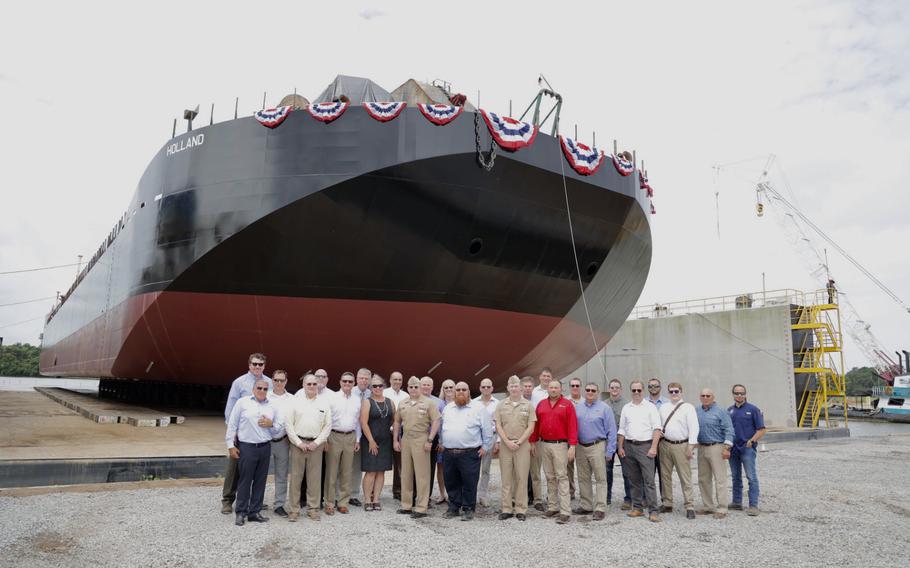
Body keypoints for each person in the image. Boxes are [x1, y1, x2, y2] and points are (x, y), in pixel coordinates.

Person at [226, 377, 283, 526]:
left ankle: (254, 511)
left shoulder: (272, 405)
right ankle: (241, 512)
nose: (262, 391)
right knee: (244, 481)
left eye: (265, 389)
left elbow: (278, 427)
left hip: (264, 447)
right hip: (247, 447)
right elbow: (232, 424)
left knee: (260, 481)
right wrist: (230, 445)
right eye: (259, 388)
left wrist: (271, 424)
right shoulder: (242, 403)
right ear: (253, 389)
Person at [221, 353, 272, 514]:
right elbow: (230, 407)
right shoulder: (239, 382)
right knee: (235, 467)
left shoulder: (269, 383)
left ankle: (254, 501)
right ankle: (228, 499)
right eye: (255, 364)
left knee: (257, 471)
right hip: (242, 434)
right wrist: (232, 432)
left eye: (261, 364)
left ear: (264, 366)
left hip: (261, 434)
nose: (258, 367)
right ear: (249, 364)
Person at [440, 382, 494, 521]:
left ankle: (469, 508)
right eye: (458, 389)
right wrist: (442, 442)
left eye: (464, 389)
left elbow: (487, 430)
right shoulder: (448, 408)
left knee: (469, 481)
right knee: (451, 481)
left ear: (469, 391)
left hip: (470, 452)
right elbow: (442, 427)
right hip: (449, 452)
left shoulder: (479, 408)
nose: (460, 392)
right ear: (454, 392)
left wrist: (485, 447)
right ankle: (454, 507)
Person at [530, 380, 578, 524]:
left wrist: (572, 446)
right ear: (548, 389)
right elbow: (536, 425)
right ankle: (553, 507)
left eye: (556, 387)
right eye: (551, 387)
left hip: (560, 445)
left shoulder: (567, 404)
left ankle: (565, 510)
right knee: (550, 477)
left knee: (562, 476)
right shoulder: (541, 404)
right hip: (544, 444)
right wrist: (532, 441)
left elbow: (573, 426)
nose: (553, 390)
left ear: (560, 389)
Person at [285, 374, 332, 522]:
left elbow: (328, 426)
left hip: (315, 446)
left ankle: (313, 509)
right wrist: (298, 443)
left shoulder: (324, 404)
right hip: (298, 444)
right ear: (303, 385)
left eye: (314, 384)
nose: (312, 386)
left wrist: (316, 443)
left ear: (318, 385)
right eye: (309, 384)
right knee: (296, 479)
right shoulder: (295, 402)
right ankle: (294, 510)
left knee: (314, 479)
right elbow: (288, 425)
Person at [393, 376, 441, 518]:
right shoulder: (403, 403)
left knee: (422, 475)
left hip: (421, 438)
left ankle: (421, 507)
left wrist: (430, 439)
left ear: (420, 387)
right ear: (407, 388)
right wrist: (395, 440)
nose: (413, 389)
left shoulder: (428, 403)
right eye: (411, 387)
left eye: (416, 387)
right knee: (406, 473)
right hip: (406, 438)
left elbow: (437, 420)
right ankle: (406, 505)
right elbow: (396, 422)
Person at [617, 381, 662, 523]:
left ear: (643, 391)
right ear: (631, 391)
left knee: (649, 480)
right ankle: (637, 508)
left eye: (639, 390)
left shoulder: (650, 407)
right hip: (629, 446)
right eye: (634, 390)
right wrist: (620, 447)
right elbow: (622, 429)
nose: (636, 393)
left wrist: (654, 447)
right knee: (634, 480)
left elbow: (657, 428)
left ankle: (653, 511)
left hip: (645, 446)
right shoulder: (626, 408)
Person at [494, 376, 536, 521]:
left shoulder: (528, 405)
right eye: (511, 386)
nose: (514, 388)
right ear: (508, 388)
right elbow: (498, 425)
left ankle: (521, 509)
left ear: (521, 388)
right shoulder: (501, 405)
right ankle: (506, 508)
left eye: (516, 386)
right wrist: (506, 441)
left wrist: (519, 441)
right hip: (506, 445)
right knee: (506, 478)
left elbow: (531, 426)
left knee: (522, 478)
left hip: (522, 445)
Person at [573, 383, 616, 521]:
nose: (590, 392)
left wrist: (610, 451)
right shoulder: (577, 407)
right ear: (584, 391)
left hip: (597, 446)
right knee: (583, 477)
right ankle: (586, 505)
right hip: (580, 446)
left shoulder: (605, 408)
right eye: (588, 390)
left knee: (600, 478)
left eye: (593, 390)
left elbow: (612, 431)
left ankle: (600, 508)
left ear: (597, 392)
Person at [658, 382, 699, 519]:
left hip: (682, 445)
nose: (674, 394)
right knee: (665, 475)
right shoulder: (663, 407)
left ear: (681, 392)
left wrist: (691, 446)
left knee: (685, 476)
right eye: (671, 392)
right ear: (668, 393)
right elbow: (658, 424)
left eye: (676, 391)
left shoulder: (688, 408)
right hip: (665, 444)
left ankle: (689, 505)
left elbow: (694, 427)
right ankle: (667, 503)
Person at [322, 371, 362, 515]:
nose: (347, 384)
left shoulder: (357, 399)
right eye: (344, 381)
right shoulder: (332, 398)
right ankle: (329, 502)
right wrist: (325, 439)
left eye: (350, 382)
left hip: (350, 437)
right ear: (340, 382)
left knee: (347, 471)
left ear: (353, 384)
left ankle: (343, 502)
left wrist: (357, 439)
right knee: (332, 471)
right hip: (334, 436)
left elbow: (358, 421)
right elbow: (326, 420)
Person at [696, 388, 734, 519]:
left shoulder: (721, 411)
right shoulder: (697, 410)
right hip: (701, 447)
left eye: (708, 395)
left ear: (713, 397)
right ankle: (708, 505)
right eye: (703, 395)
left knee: (720, 479)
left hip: (716, 447)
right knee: (703, 479)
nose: (705, 397)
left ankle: (722, 508)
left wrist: (727, 448)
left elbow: (729, 429)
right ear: (700, 397)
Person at [728, 384, 766, 516]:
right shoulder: (730, 410)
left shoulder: (753, 410)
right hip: (733, 449)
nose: (739, 395)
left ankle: (753, 505)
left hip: (747, 449)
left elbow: (761, 429)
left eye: (742, 393)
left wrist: (752, 441)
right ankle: (737, 502)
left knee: (751, 477)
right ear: (733, 394)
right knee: (735, 477)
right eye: (737, 393)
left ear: (745, 394)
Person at [360, 375, 394, 511]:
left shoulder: (390, 402)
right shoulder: (367, 402)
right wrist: (371, 440)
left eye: (380, 385)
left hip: (385, 441)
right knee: (371, 471)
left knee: (381, 471)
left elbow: (394, 420)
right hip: (370, 441)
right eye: (374, 386)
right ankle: (367, 499)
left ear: (384, 387)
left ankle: (376, 499)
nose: (378, 388)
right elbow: (363, 422)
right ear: (370, 388)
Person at [267, 370, 295, 517]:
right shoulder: (265, 396)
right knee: (259, 474)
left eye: (281, 380)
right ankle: (256, 502)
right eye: (276, 380)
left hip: (283, 441)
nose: (279, 383)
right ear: (272, 380)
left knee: (282, 474)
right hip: (264, 441)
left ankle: (279, 504)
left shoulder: (291, 399)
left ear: (286, 381)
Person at [529, 368, 553, 511]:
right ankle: (538, 499)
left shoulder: (554, 392)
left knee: (551, 472)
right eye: (544, 376)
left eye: (548, 376)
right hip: (537, 436)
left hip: (550, 438)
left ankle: (552, 498)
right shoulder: (533, 393)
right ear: (539, 377)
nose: (546, 378)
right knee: (536, 471)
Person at [606, 379, 632, 509]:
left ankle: (629, 499)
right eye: (612, 387)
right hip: (608, 443)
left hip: (623, 442)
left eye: (617, 387)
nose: (614, 389)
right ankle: (606, 497)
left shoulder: (627, 405)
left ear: (620, 389)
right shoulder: (604, 405)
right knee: (607, 471)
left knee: (627, 472)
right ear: (609, 389)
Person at [474, 377, 499, 507]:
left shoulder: (497, 403)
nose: (485, 389)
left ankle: (482, 495)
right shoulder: (474, 402)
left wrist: (498, 441)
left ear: (492, 388)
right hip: (476, 438)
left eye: (488, 387)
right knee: (473, 468)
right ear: (480, 388)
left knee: (485, 468)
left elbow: (500, 423)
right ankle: (472, 494)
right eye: (483, 387)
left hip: (492, 437)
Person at [348, 367, 372, 507]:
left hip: (366, 435)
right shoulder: (350, 392)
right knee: (346, 465)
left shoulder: (371, 393)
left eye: (366, 378)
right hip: (352, 434)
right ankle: (341, 493)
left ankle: (354, 494)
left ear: (369, 380)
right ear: (357, 379)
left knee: (357, 467)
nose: (363, 380)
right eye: (361, 378)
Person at [420, 376, 445, 502]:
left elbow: (442, 423)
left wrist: (441, 441)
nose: (426, 387)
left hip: (433, 438)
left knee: (430, 468)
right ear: (420, 386)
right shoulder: (413, 400)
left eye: (428, 385)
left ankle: (427, 496)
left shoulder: (439, 403)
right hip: (417, 437)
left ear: (432, 386)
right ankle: (416, 495)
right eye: (423, 384)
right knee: (417, 468)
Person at [383, 371, 409, 500]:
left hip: (400, 433)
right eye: (395, 379)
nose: (397, 381)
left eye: (400, 379)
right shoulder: (384, 393)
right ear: (390, 380)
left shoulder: (406, 395)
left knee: (400, 463)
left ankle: (398, 491)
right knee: (380, 462)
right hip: (385, 432)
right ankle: (373, 492)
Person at [434, 379, 456, 503]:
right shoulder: (439, 404)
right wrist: (440, 441)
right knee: (441, 468)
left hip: (455, 441)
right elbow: (437, 424)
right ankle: (443, 493)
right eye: (446, 387)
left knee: (455, 468)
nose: (448, 389)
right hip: (441, 441)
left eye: (451, 387)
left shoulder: (460, 402)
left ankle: (454, 494)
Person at [646, 378, 669, 494]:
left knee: (663, 472)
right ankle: (647, 499)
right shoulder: (643, 402)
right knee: (647, 472)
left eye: (655, 386)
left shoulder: (667, 403)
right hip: (647, 442)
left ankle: (664, 499)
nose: (653, 388)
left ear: (660, 387)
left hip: (663, 442)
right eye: (650, 386)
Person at [565, 377, 583, 501]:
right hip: (568, 439)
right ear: (570, 387)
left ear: (580, 387)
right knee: (568, 467)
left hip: (583, 439)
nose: (575, 388)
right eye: (573, 385)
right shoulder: (565, 401)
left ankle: (585, 494)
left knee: (583, 468)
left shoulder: (586, 400)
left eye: (577, 385)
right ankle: (570, 492)